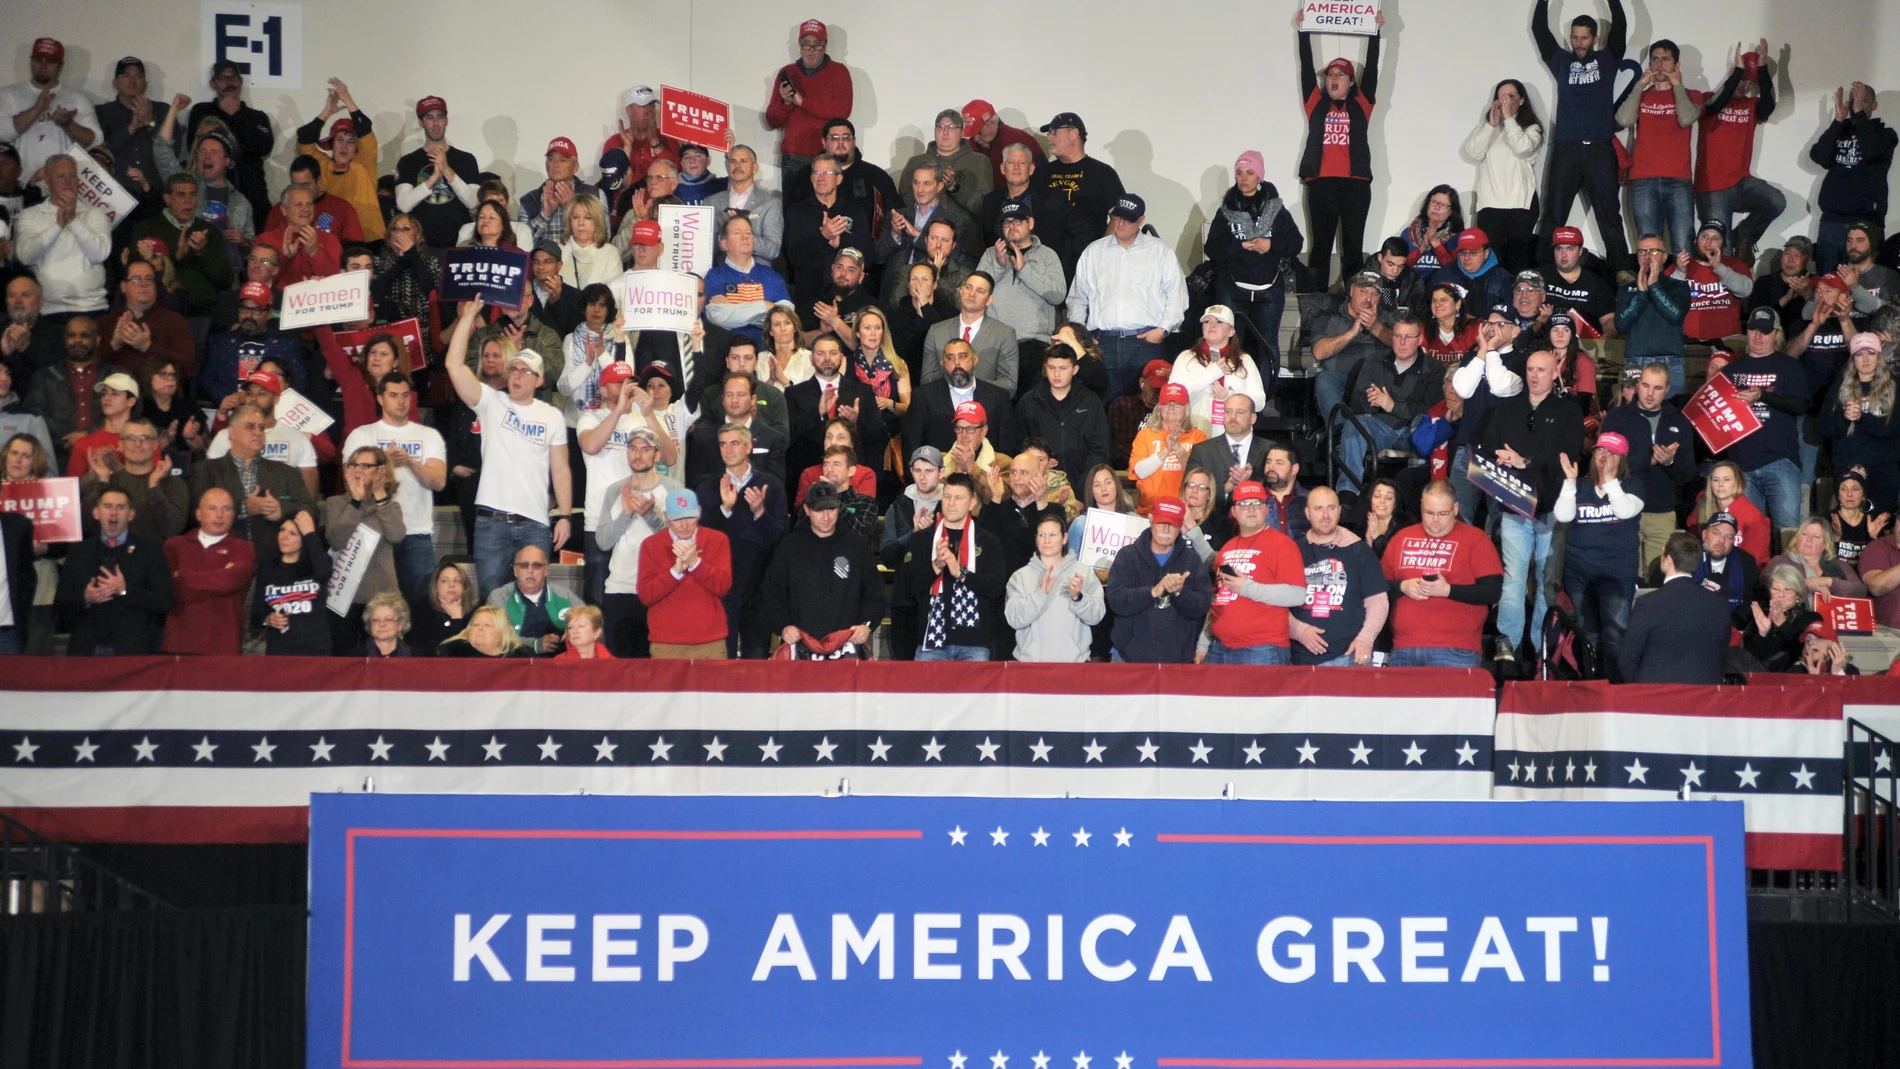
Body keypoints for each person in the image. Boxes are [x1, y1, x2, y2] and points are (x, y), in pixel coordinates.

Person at [443, 300, 572, 597]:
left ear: (539, 380)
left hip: (535, 523)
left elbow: (561, 469)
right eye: (513, 369)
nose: (516, 375)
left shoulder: (551, 415)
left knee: (533, 599)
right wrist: (469, 317)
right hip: (491, 523)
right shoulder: (491, 402)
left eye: (525, 371)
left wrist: (564, 515)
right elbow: (453, 365)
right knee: (491, 599)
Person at [1482, 349, 1584, 662]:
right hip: (1515, 508)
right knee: (1513, 578)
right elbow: (1487, 451)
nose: (1535, 375)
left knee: (1547, 581)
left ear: (1556, 372)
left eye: (1542, 369)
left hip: (1553, 509)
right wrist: (1499, 461)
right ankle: (1508, 644)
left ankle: (1543, 645)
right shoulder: (1507, 409)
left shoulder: (1569, 412)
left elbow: (1568, 458)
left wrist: (1524, 461)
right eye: (1530, 369)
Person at [1532, 0, 1632, 276]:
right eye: (1574, 37)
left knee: (1609, 215)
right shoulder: (1562, 61)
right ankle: (1540, 273)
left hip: (1600, 149)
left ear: (1594, 38)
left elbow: (1621, 28)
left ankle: (1622, 272)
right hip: (1567, 148)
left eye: (1584, 37)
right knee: (1553, 214)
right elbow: (1540, 30)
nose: (1578, 42)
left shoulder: (1607, 59)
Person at [1295, 9, 1383, 292]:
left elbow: (1373, 70)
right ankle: (1315, 310)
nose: (1334, 78)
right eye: (1331, 74)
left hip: (1355, 185)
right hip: (1321, 183)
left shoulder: (1362, 103)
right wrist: (1303, 30)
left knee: (1353, 249)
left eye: (1341, 74)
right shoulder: (1315, 103)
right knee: (1320, 247)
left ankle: (1354, 308)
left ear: (1350, 81)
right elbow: (1306, 68)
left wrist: (1375, 33)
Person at [1066, 194, 1186, 402]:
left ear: (1141, 221)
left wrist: (1163, 330)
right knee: (1103, 407)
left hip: (1145, 342)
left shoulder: (1159, 251)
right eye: (1117, 217)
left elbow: (1177, 295)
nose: (1120, 223)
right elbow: (1077, 298)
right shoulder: (1094, 252)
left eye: (1128, 219)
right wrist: (1083, 335)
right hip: (1103, 341)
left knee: (1146, 408)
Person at [1382, 480, 1504, 667]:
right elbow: (1376, 588)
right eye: (1429, 512)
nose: (1435, 519)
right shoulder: (1402, 538)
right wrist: (1402, 587)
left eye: (1442, 513)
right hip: (1404, 646)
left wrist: (1448, 590)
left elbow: (1492, 591)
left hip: (1457, 648)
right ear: (1421, 506)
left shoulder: (1476, 539)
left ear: (1455, 509)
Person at [343, 374, 445, 598]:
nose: (401, 401)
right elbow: (351, 486)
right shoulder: (362, 435)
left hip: (416, 531)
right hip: (372, 530)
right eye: (393, 395)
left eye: (405, 395)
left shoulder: (428, 435)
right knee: (372, 603)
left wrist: (410, 462)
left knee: (420, 605)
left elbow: (438, 482)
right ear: (380, 399)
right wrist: (383, 463)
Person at [1553, 432, 1645, 677]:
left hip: (1616, 574)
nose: (1604, 457)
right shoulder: (1581, 486)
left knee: (1616, 635)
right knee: (1588, 633)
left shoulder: (1632, 486)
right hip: (1579, 573)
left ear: (1622, 459)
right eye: (1600, 451)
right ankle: (1591, 686)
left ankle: (1616, 689)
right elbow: (1562, 516)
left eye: (1611, 453)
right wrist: (1570, 483)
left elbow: (1625, 511)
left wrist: (1610, 480)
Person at [760, 482, 885, 657]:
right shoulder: (790, 547)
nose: (826, 517)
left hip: (847, 647)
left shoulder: (857, 546)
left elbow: (875, 595)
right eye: (819, 510)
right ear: (807, 509)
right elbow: (771, 594)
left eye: (831, 509)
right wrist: (783, 627)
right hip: (800, 648)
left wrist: (867, 625)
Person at [1206, 151, 1302, 377]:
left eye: (1250, 173)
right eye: (1239, 173)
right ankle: (1226, 397)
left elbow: (1296, 243)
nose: (1244, 178)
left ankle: (1264, 399)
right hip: (1232, 287)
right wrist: (1240, 246)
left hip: (1268, 288)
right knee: (1227, 344)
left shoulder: (1276, 210)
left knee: (1267, 345)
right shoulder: (1226, 210)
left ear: (1260, 176)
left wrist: (1271, 245)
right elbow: (1212, 249)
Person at [1713, 306, 1807, 536]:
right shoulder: (1732, 370)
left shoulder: (1789, 366)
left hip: (1780, 461)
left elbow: (1801, 405)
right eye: (1754, 329)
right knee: (1745, 535)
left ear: (1776, 334)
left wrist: (1763, 396)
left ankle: (1787, 573)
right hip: (1741, 464)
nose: (1758, 335)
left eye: (1765, 331)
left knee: (1788, 533)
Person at [894, 473, 1004, 661]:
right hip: (931, 641)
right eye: (947, 496)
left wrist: (961, 573)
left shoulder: (988, 541)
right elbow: (909, 587)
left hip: (975, 644)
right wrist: (937, 565)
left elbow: (996, 588)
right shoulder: (922, 539)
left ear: (971, 504)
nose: (951, 503)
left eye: (959, 498)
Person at [1196, 480, 1306, 665]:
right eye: (1244, 504)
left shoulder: (1283, 545)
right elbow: (1219, 599)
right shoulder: (1226, 549)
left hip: (1261, 649)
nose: (1251, 509)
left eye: (1257, 503)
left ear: (1267, 509)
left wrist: (1248, 588)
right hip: (1219, 647)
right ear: (1234, 511)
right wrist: (1203, 644)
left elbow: (1297, 595)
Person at [1617, 40, 1709, 256]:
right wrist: (1640, 84)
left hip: (1678, 181)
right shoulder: (1643, 95)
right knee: (1649, 251)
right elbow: (1623, 119)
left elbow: (1686, 118)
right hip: (1642, 181)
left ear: (1677, 64)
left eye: (1665, 59)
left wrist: (1676, 85)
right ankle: (1650, 289)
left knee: (1683, 249)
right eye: (1655, 59)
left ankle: (1682, 290)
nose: (1659, 65)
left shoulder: (1691, 94)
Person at [1602, 363, 1695, 574]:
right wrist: (1649, 461)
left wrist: (1669, 462)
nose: (1650, 393)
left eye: (1657, 388)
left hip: (1662, 512)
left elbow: (1688, 473)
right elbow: (1605, 465)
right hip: (1622, 510)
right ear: (1637, 385)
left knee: (1658, 578)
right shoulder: (1617, 418)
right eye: (1645, 385)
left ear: (1668, 390)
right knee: (1624, 576)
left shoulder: (1679, 421)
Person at [595, 428, 680, 658]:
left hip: (659, 590)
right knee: (620, 673)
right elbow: (603, 542)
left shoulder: (673, 490)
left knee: (656, 670)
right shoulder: (615, 491)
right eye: (633, 448)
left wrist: (650, 515)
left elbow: (681, 542)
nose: (638, 454)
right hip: (619, 589)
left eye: (645, 449)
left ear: (657, 454)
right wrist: (627, 514)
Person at [57, 487, 174, 655]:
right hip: (86, 649)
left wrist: (125, 591)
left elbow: (164, 602)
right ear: (96, 513)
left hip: (133, 650)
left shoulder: (150, 550)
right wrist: (86, 597)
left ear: (130, 515)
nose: (113, 513)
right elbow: (61, 603)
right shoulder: (79, 551)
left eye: (120, 507)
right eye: (108, 506)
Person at [1336, 313, 1442, 494]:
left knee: (1427, 424)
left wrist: (1393, 406)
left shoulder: (1434, 369)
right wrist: (1369, 400)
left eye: (1408, 337)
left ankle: (1428, 494)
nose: (1402, 342)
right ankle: (1348, 493)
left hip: (1414, 431)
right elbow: (1355, 403)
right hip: (1381, 426)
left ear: (1420, 339)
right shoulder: (1374, 361)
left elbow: (1432, 410)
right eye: (1398, 336)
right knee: (1354, 425)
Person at [1697, 42, 1783, 263]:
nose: (1745, 86)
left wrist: (1763, 68)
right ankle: (1719, 296)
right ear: (1732, 74)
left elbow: (1769, 105)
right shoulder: (1708, 99)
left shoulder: (1752, 105)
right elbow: (1715, 104)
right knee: (1720, 252)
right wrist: (1737, 72)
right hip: (1712, 187)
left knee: (1776, 201)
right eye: (1742, 80)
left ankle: (1743, 236)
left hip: (1741, 183)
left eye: (1750, 82)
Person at [1103, 495, 1212, 663]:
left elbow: (1202, 607)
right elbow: (1116, 601)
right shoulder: (1128, 556)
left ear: (1181, 526)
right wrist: (1152, 592)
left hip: (1176, 661)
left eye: (1172, 524)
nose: (1166, 529)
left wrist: (1180, 592)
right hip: (1127, 658)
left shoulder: (1192, 560)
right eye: (1162, 522)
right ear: (1151, 519)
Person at [1288, 487, 1387, 667]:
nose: (1325, 515)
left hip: (1350, 658)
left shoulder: (1360, 550)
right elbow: (1275, 605)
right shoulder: (1292, 551)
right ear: (1307, 513)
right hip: (1299, 660)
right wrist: (1298, 630)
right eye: (1318, 509)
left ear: (1340, 511)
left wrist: (1366, 638)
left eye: (1331, 508)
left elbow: (1378, 601)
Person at [321, 445, 407, 652]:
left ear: (381, 471)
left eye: (366, 465)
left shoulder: (390, 507)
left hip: (381, 600)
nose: (358, 470)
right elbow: (337, 540)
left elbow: (397, 535)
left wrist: (379, 494)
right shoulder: (334, 503)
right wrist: (356, 501)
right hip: (344, 598)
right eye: (354, 465)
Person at [1620, 532, 1732, 684]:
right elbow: (1721, 657)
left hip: (1656, 698)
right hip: (1705, 697)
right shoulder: (1719, 604)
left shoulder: (1648, 604)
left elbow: (1627, 660)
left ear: (1668, 560)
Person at [635, 488, 732, 659]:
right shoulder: (651, 545)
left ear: (699, 513)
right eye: (677, 519)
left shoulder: (718, 540)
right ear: (666, 516)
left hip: (710, 641)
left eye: (690, 517)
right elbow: (646, 595)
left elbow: (723, 586)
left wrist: (696, 563)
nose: (685, 524)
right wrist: (674, 573)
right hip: (666, 643)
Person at [1809, 82, 1895, 271]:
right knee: (1828, 284)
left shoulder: (1886, 135)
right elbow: (1819, 157)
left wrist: (1859, 116)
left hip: (1867, 222)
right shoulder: (1839, 131)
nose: (1856, 105)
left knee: (1864, 286)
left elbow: (1872, 152)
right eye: (1853, 101)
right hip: (1832, 221)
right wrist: (1838, 120)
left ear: (1874, 106)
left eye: (1862, 101)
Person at [159, 486, 255, 656]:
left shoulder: (244, 549)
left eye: (226, 509)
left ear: (233, 515)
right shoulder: (174, 546)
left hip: (224, 644)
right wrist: (219, 575)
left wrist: (183, 576)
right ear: (198, 514)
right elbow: (168, 590)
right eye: (212, 508)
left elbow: (229, 582)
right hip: (178, 644)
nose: (219, 515)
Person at [1461, 81, 1544, 274]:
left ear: (1522, 100)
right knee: (1491, 264)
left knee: (1517, 262)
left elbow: (1523, 148)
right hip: (1490, 205)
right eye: (1501, 97)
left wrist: (1508, 118)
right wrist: (1491, 125)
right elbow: (1473, 153)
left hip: (1520, 204)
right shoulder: (1487, 129)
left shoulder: (1531, 129)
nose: (1505, 101)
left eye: (1511, 96)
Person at [977, 199, 1065, 381]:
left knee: (1029, 405)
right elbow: (976, 294)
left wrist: (1025, 270)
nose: (1012, 226)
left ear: (1030, 223)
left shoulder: (1047, 255)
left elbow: (1057, 295)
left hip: (1034, 344)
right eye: (1007, 222)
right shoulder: (991, 254)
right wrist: (999, 266)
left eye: (1017, 221)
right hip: (994, 344)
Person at [764, 19, 853, 198]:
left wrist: (802, 101)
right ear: (799, 45)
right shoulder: (787, 73)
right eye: (806, 44)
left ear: (825, 45)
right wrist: (787, 103)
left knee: (830, 211)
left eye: (817, 45)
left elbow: (842, 113)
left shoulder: (839, 72)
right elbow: (771, 121)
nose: (811, 50)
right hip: (794, 156)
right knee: (793, 213)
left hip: (829, 155)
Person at [14, 156, 110, 317]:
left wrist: (73, 220)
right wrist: (58, 226)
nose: (67, 181)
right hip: (48, 310)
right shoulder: (30, 215)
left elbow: (100, 254)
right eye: (60, 176)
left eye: (72, 176)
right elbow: (25, 257)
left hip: (91, 307)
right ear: (47, 180)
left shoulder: (95, 214)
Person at [1035, 112, 1124, 283]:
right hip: (1047, 262)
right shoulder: (1043, 172)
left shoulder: (1102, 173)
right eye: (1049, 133)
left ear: (1074, 133)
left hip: (1085, 261)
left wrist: (1101, 252)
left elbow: (1118, 216)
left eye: (1054, 132)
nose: (1049, 138)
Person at [1004, 513, 1105, 663]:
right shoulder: (1020, 576)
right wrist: (1040, 594)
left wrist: (1078, 598)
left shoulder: (1083, 572)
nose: (1046, 541)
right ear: (1036, 539)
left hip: (1073, 665)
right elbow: (1014, 619)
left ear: (1064, 538)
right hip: (1030, 665)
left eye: (1052, 535)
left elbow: (1096, 616)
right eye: (1041, 535)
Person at [1819, 334, 1899, 513]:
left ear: (1879, 356)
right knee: (1850, 531)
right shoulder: (1839, 386)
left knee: (1880, 528)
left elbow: (1893, 428)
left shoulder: (1894, 386)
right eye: (1859, 353)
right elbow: (1825, 426)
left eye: (1870, 353)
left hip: (1883, 470)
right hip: (1848, 467)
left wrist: (1862, 417)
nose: (1865, 359)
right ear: (1852, 358)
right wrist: (1844, 417)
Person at [0, 39, 100, 182]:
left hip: (61, 186)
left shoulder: (76, 99)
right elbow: (2, 134)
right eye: (38, 59)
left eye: (50, 61)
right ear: (31, 61)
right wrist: (36, 110)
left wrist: (69, 125)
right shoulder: (8, 94)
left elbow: (95, 141)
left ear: (61, 66)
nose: (43, 65)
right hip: (20, 183)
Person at [1014, 342, 1109, 488]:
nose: (1057, 374)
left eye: (1063, 368)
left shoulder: (1091, 402)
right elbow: (1018, 447)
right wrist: (1038, 463)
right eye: (1052, 368)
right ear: (1045, 368)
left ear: (1075, 369)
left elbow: (1099, 451)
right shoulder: (1029, 402)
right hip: (1038, 486)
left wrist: (1082, 492)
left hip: (1083, 487)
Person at [784, 168, 872, 324]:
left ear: (839, 179)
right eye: (817, 173)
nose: (821, 178)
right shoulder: (796, 212)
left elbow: (867, 256)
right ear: (811, 178)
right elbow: (793, 258)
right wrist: (822, 236)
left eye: (827, 173)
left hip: (848, 297)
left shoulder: (855, 211)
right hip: (809, 298)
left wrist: (840, 245)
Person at [392, 95, 479, 250]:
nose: (436, 123)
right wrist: (433, 178)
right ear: (421, 122)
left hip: (460, 244)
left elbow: (473, 202)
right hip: (421, 245)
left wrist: (446, 169)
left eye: (440, 116)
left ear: (446, 120)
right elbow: (403, 205)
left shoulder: (466, 160)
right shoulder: (408, 162)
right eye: (429, 117)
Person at [1614, 235, 1692, 398]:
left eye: (1654, 251)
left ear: (1664, 256)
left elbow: (1675, 315)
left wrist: (1654, 286)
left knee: (1669, 414)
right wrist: (1641, 294)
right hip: (1635, 361)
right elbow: (1621, 325)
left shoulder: (1678, 286)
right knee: (1633, 418)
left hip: (1670, 362)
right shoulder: (1627, 289)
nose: (1648, 256)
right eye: (1642, 252)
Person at [922, 272, 1020, 396]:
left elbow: (1009, 386)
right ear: (961, 290)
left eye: (980, 291)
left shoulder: (1004, 334)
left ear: (989, 299)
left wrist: (970, 383)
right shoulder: (936, 331)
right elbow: (925, 380)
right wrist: (952, 374)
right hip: (943, 407)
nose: (972, 294)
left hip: (984, 408)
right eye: (968, 287)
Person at [596, 85, 681, 223]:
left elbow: (676, 174)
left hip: (662, 216)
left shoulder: (668, 139)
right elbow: (612, 183)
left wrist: (655, 142)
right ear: (629, 111)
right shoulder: (615, 142)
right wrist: (627, 149)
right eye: (643, 107)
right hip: (622, 217)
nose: (649, 112)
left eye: (652, 106)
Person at [879, 161, 977, 273]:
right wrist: (895, 235)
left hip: (931, 286)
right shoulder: (896, 216)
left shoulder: (955, 222)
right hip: (893, 286)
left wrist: (916, 234)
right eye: (916, 183)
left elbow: (950, 260)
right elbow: (878, 257)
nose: (920, 189)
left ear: (939, 186)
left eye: (927, 184)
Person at [703, 216, 791, 340]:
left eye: (748, 233)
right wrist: (766, 306)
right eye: (737, 233)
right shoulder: (714, 277)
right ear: (724, 244)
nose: (745, 237)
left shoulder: (770, 275)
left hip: (767, 349)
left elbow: (786, 315)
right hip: (730, 350)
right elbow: (717, 316)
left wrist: (734, 308)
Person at [1670, 220, 1755, 345]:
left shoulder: (1735, 265)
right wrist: (1679, 273)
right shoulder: (1680, 266)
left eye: (1715, 238)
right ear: (1696, 240)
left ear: (1723, 244)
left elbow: (1746, 290)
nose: (1708, 242)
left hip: (1728, 342)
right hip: (1689, 343)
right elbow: (1665, 302)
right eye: (1704, 236)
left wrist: (1720, 268)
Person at [898, 110, 993, 221]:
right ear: (934, 131)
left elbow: (985, 207)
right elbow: (902, 203)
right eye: (941, 127)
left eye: (952, 127)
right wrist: (927, 190)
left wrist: (955, 188)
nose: (945, 132)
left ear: (962, 132)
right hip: (921, 234)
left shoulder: (978, 161)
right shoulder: (915, 162)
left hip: (964, 235)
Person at [486, 544, 576, 656]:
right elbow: (494, 637)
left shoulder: (566, 596)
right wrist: (535, 644)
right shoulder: (499, 597)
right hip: (514, 665)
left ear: (546, 570)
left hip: (559, 665)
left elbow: (593, 627)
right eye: (524, 565)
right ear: (515, 571)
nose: (530, 571)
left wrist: (575, 633)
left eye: (537, 565)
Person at [1129, 383, 1203, 516]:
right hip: (1150, 512)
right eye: (1167, 403)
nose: (1171, 407)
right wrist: (1166, 450)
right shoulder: (1145, 435)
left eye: (1177, 403)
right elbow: (1139, 472)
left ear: (1186, 408)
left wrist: (1178, 449)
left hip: (1186, 513)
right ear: (1159, 407)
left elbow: (1199, 474)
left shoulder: (1198, 436)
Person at [1688, 460, 1773, 570]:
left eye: (1726, 479)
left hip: (1743, 574)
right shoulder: (1703, 507)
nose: (1721, 484)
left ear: (1738, 482)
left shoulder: (1753, 517)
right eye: (1715, 480)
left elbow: (1752, 561)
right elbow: (1694, 537)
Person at [1741, 564, 1826, 673]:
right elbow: (1749, 657)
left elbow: (1804, 652)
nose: (1781, 595)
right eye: (1776, 589)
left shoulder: (1811, 619)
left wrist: (1782, 624)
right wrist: (1762, 633)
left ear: (1798, 594)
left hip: (1796, 679)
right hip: (1761, 680)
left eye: (1787, 590)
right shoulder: (1760, 617)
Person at [255, 186, 343, 291]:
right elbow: (261, 276)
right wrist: (286, 258)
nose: (306, 209)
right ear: (284, 210)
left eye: (309, 204)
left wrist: (315, 252)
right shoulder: (266, 240)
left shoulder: (330, 240)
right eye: (298, 204)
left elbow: (338, 280)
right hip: (279, 302)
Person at [706, 145, 784, 263]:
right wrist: (727, 235)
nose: (737, 166)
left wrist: (742, 233)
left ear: (755, 168)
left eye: (744, 161)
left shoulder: (771, 203)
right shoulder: (710, 202)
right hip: (721, 274)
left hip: (757, 276)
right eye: (732, 161)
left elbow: (772, 250)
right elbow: (703, 246)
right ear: (728, 167)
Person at [520, 137, 602, 247]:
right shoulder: (529, 199)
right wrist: (545, 215)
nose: (555, 165)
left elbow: (602, 239)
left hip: (582, 262)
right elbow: (520, 244)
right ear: (545, 165)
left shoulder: (595, 195)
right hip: (542, 263)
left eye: (562, 160)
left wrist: (571, 208)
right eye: (551, 159)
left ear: (575, 167)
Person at [1540, 227, 1619, 338]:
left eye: (1570, 249)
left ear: (1580, 251)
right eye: (1558, 249)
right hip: (1545, 342)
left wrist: (1608, 333)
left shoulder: (1596, 284)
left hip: (1584, 344)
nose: (1563, 254)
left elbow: (1608, 319)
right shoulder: (1539, 277)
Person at [1766, 517, 1868, 599]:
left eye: (1816, 536)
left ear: (1825, 544)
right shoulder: (1780, 561)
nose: (1809, 539)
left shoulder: (1839, 565)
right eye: (1805, 534)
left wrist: (1828, 582)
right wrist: (1809, 586)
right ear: (1796, 538)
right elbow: (1766, 585)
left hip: (1837, 618)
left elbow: (1861, 591)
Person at [64, 371, 139, 479]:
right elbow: (71, 488)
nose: (106, 398)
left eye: (114, 393)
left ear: (131, 401)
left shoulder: (145, 441)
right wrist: (91, 475)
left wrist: (117, 466)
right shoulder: (84, 443)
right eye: (104, 393)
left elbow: (149, 485)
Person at [1430, 229, 1514, 321]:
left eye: (1473, 253)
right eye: (1462, 253)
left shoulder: (1504, 279)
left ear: (1486, 253)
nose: (1467, 257)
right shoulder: (1442, 277)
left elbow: (1511, 313)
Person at [1688, 511, 1759, 619]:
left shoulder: (1746, 562)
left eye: (1729, 536)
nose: (1721, 541)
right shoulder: (1687, 556)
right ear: (1704, 535)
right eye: (1716, 533)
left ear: (1733, 541)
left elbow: (1748, 605)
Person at [1829, 469, 1891, 565]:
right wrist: (1835, 537)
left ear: (1863, 495)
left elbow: (1878, 563)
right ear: (1838, 495)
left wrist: (1873, 538)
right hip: (1836, 577)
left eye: (1855, 489)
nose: (1849, 494)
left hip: (1865, 577)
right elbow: (1824, 562)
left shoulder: (1872, 522)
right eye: (1843, 489)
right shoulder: (1829, 519)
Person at [437, 604, 531, 658]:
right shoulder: (451, 655)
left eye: (487, 625)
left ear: (503, 633)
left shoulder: (520, 659)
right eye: (476, 625)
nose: (480, 628)